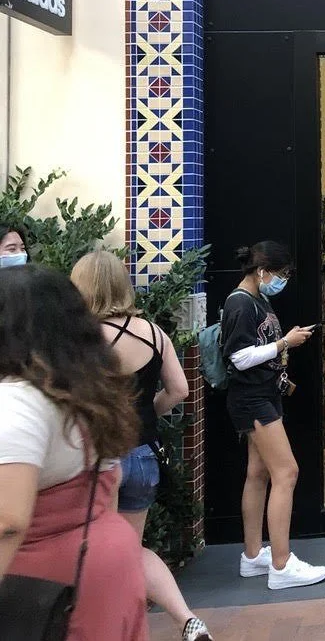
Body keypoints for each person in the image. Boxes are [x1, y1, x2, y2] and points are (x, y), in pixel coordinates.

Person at [69, 250, 212, 640]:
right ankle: (185, 619)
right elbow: (179, 389)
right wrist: (146, 412)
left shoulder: (79, 341)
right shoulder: (153, 332)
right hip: (144, 455)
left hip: (100, 458)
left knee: (100, 551)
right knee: (129, 549)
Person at [0, 263, 148, 639]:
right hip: (102, 564)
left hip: (41, 586)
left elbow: (7, 521)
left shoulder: (17, 401)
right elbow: (108, 487)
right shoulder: (92, 392)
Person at [222, 241, 325, 590]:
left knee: (259, 473)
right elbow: (237, 357)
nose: (282, 282)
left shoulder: (257, 300)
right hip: (253, 399)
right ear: (262, 271)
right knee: (287, 472)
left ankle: (253, 556)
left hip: (261, 395)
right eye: (280, 275)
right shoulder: (240, 302)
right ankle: (281, 565)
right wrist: (285, 343)